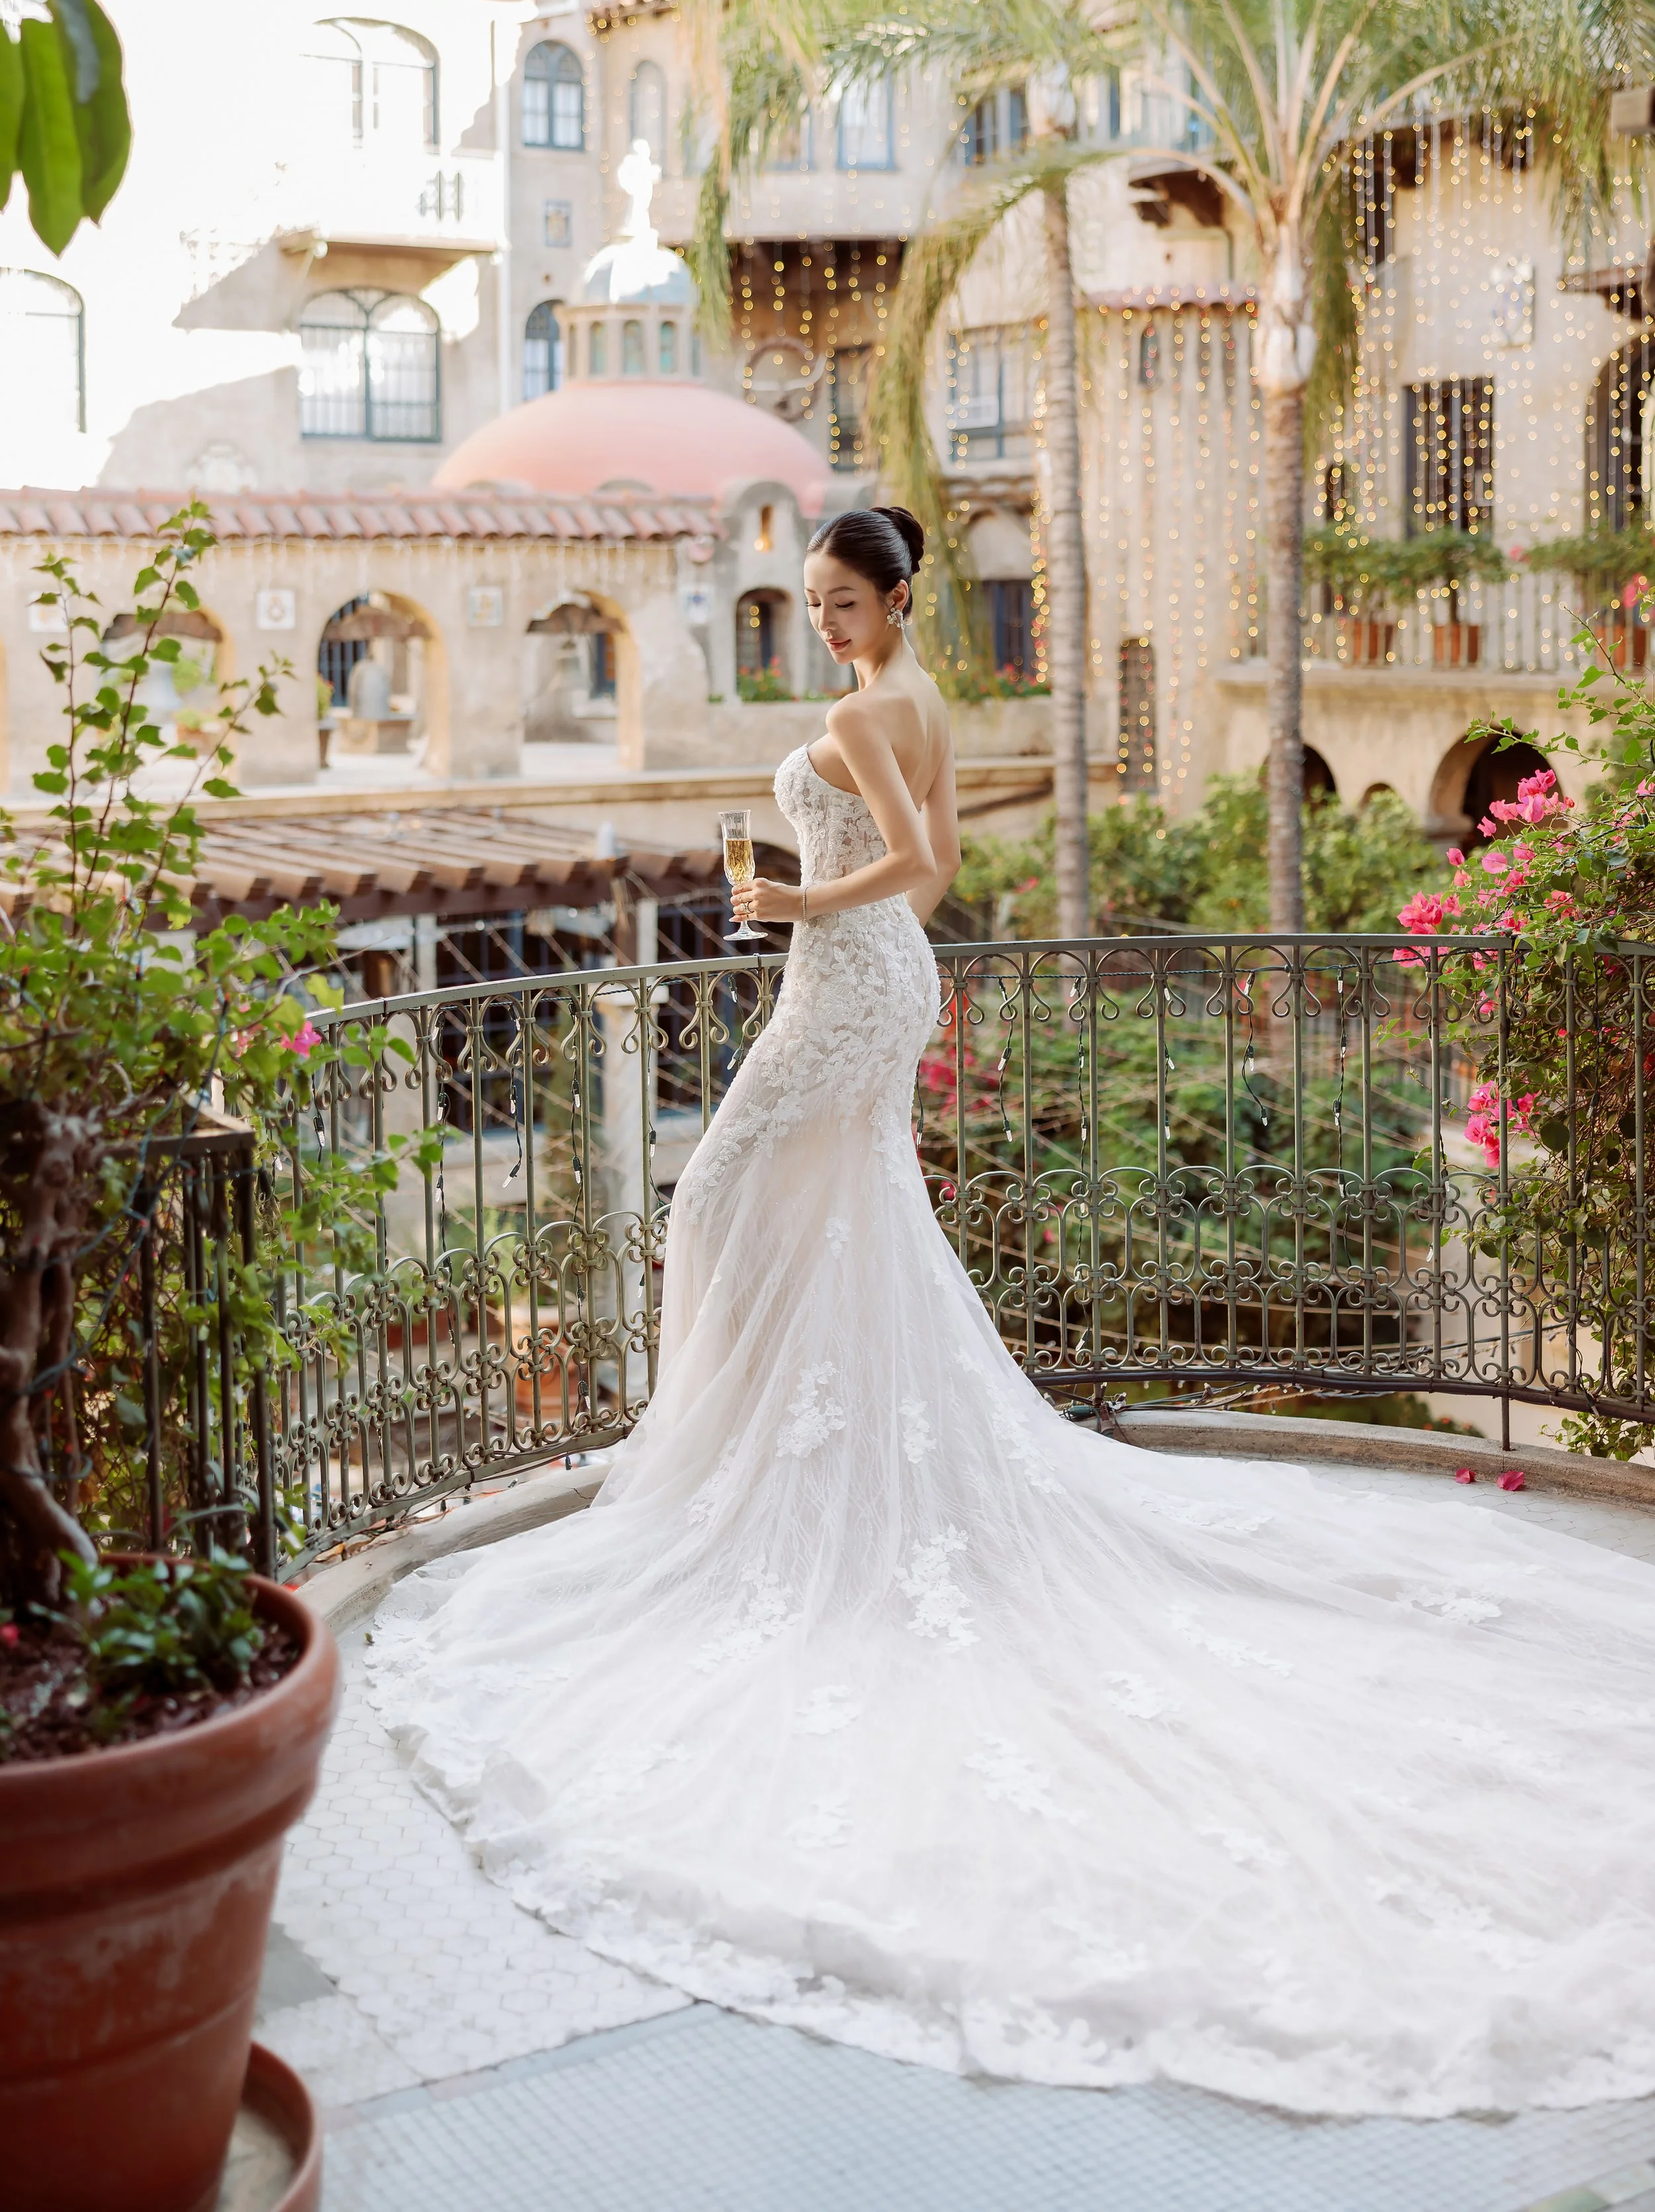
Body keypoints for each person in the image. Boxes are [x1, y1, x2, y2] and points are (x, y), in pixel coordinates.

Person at [371, 506, 1655, 2120]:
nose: (824, 623)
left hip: (847, 976)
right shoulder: (916, 699)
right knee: (838, 1222)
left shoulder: (864, 709)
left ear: (893, 597)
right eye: (818, 606)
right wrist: (828, 908)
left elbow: (914, 866)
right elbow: (938, 860)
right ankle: (784, 1455)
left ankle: (737, 1470)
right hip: (870, 975)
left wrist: (789, 911)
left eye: (843, 601)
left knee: (716, 1200)